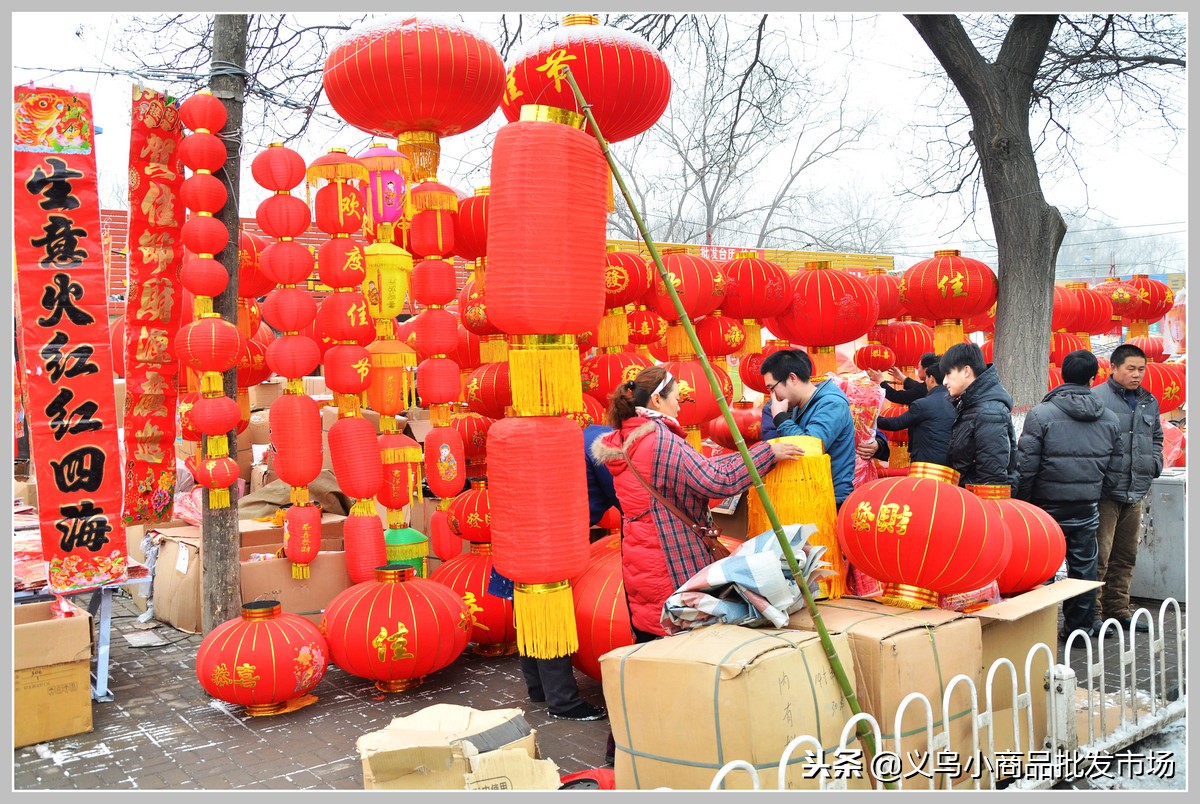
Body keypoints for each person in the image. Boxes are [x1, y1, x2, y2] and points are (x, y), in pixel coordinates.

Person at [590, 365, 801, 643]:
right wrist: (767, 453)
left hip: (640, 551)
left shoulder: (627, 438)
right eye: (676, 397)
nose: (679, 405)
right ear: (657, 400)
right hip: (670, 552)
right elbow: (715, 480)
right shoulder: (660, 440)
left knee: (651, 633)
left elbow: (698, 468)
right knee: (678, 633)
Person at [509, 424, 621, 724]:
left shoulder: (535, 435)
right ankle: (563, 701)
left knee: (528, 606)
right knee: (549, 610)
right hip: (553, 537)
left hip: (518, 532)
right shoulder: (603, 441)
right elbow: (622, 495)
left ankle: (539, 688)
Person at [1014, 350, 1122, 642]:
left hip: (1046, 506)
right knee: (1084, 567)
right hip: (1087, 505)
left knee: (1042, 568)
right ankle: (1079, 628)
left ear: (1062, 375)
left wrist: (1024, 501)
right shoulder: (1110, 419)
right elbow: (1114, 468)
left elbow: (1027, 464)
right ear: (1092, 378)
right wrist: (1096, 493)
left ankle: (1038, 630)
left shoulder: (1041, 414)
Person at [1092, 343, 1164, 634]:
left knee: (1126, 555)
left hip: (1136, 488)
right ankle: (1093, 615)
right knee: (1100, 555)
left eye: (1141, 369)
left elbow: (1156, 436)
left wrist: (1154, 464)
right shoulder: (1098, 398)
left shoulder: (1148, 400)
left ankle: (1119, 609)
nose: (1137, 375)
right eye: (1131, 369)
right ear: (1113, 368)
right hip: (1106, 492)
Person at [759, 349, 857, 506]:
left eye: (772, 388)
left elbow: (809, 448)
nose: (773, 396)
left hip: (830, 498)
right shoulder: (800, 404)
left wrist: (780, 418)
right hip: (811, 494)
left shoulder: (832, 403)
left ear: (792, 378)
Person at [940, 342, 1019, 490]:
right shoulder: (972, 405)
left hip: (979, 502)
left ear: (966, 371)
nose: (944, 381)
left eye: (948, 373)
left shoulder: (989, 411)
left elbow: (991, 478)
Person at [875, 358, 956, 466]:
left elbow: (895, 423)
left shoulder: (923, 404)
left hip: (927, 463)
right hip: (952, 461)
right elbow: (918, 387)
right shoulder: (957, 400)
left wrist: (870, 417)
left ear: (931, 379)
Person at [866, 351, 940, 405]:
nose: (918, 369)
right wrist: (902, 377)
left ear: (926, 370)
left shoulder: (925, 389)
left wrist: (881, 381)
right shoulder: (939, 385)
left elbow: (897, 396)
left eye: (919, 367)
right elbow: (917, 387)